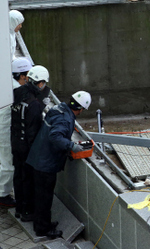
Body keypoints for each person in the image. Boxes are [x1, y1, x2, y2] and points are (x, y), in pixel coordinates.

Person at [26, 91, 91, 239]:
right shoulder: (65, 119)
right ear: (81, 109)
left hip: (39, 157)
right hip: (46, 164)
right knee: (45, 197)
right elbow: (55, 136)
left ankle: (43, 223)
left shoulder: (59, 109)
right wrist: (71, 146)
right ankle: (43, 229)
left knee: (41, 196)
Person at [10, 65, 50, 222]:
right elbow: (32, 130)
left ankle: (19, 208)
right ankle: (27, 211)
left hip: (15, 141)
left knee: (18, 175)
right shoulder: (34, 104)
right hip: (26, 146)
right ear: (40, 84)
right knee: (27, 178)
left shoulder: (17, 92)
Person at [0, 57, 32, 208]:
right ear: (22, 75)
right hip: (5, 132)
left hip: (2, 129)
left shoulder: (8, 83)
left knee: (7, 163)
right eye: (28, 75)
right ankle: (1, 196)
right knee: (8, 165)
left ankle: (3, 194)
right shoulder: (16, 90)